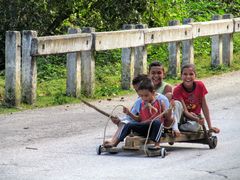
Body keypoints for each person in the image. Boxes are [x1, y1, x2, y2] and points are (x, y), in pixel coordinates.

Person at [105, 77, 175, 149]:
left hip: (156, 128)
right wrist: (129, 113)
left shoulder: (160, 102)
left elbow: (166, 117)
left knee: (157, 122)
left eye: (146, 95)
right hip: (144, 127)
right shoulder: (141, 103)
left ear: (153, 93)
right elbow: (139, 119)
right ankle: (115, 143)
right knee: (128, 125)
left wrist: (169, 109)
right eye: (141, 96)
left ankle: (157, 144)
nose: (144, 98)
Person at [172, 63, 220, 133]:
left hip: (194, 118)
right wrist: (197, 119)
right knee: (176, 103)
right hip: (182, 117)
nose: (188, 77)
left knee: (195, 127)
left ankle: (181, 127)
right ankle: (176, 127)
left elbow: (204, 106)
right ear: (181, 76)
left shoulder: (200, 85)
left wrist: (210, 127)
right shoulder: (177, 90)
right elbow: (185, 111)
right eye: (185, 74)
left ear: (195, 76)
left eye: (191, 74)